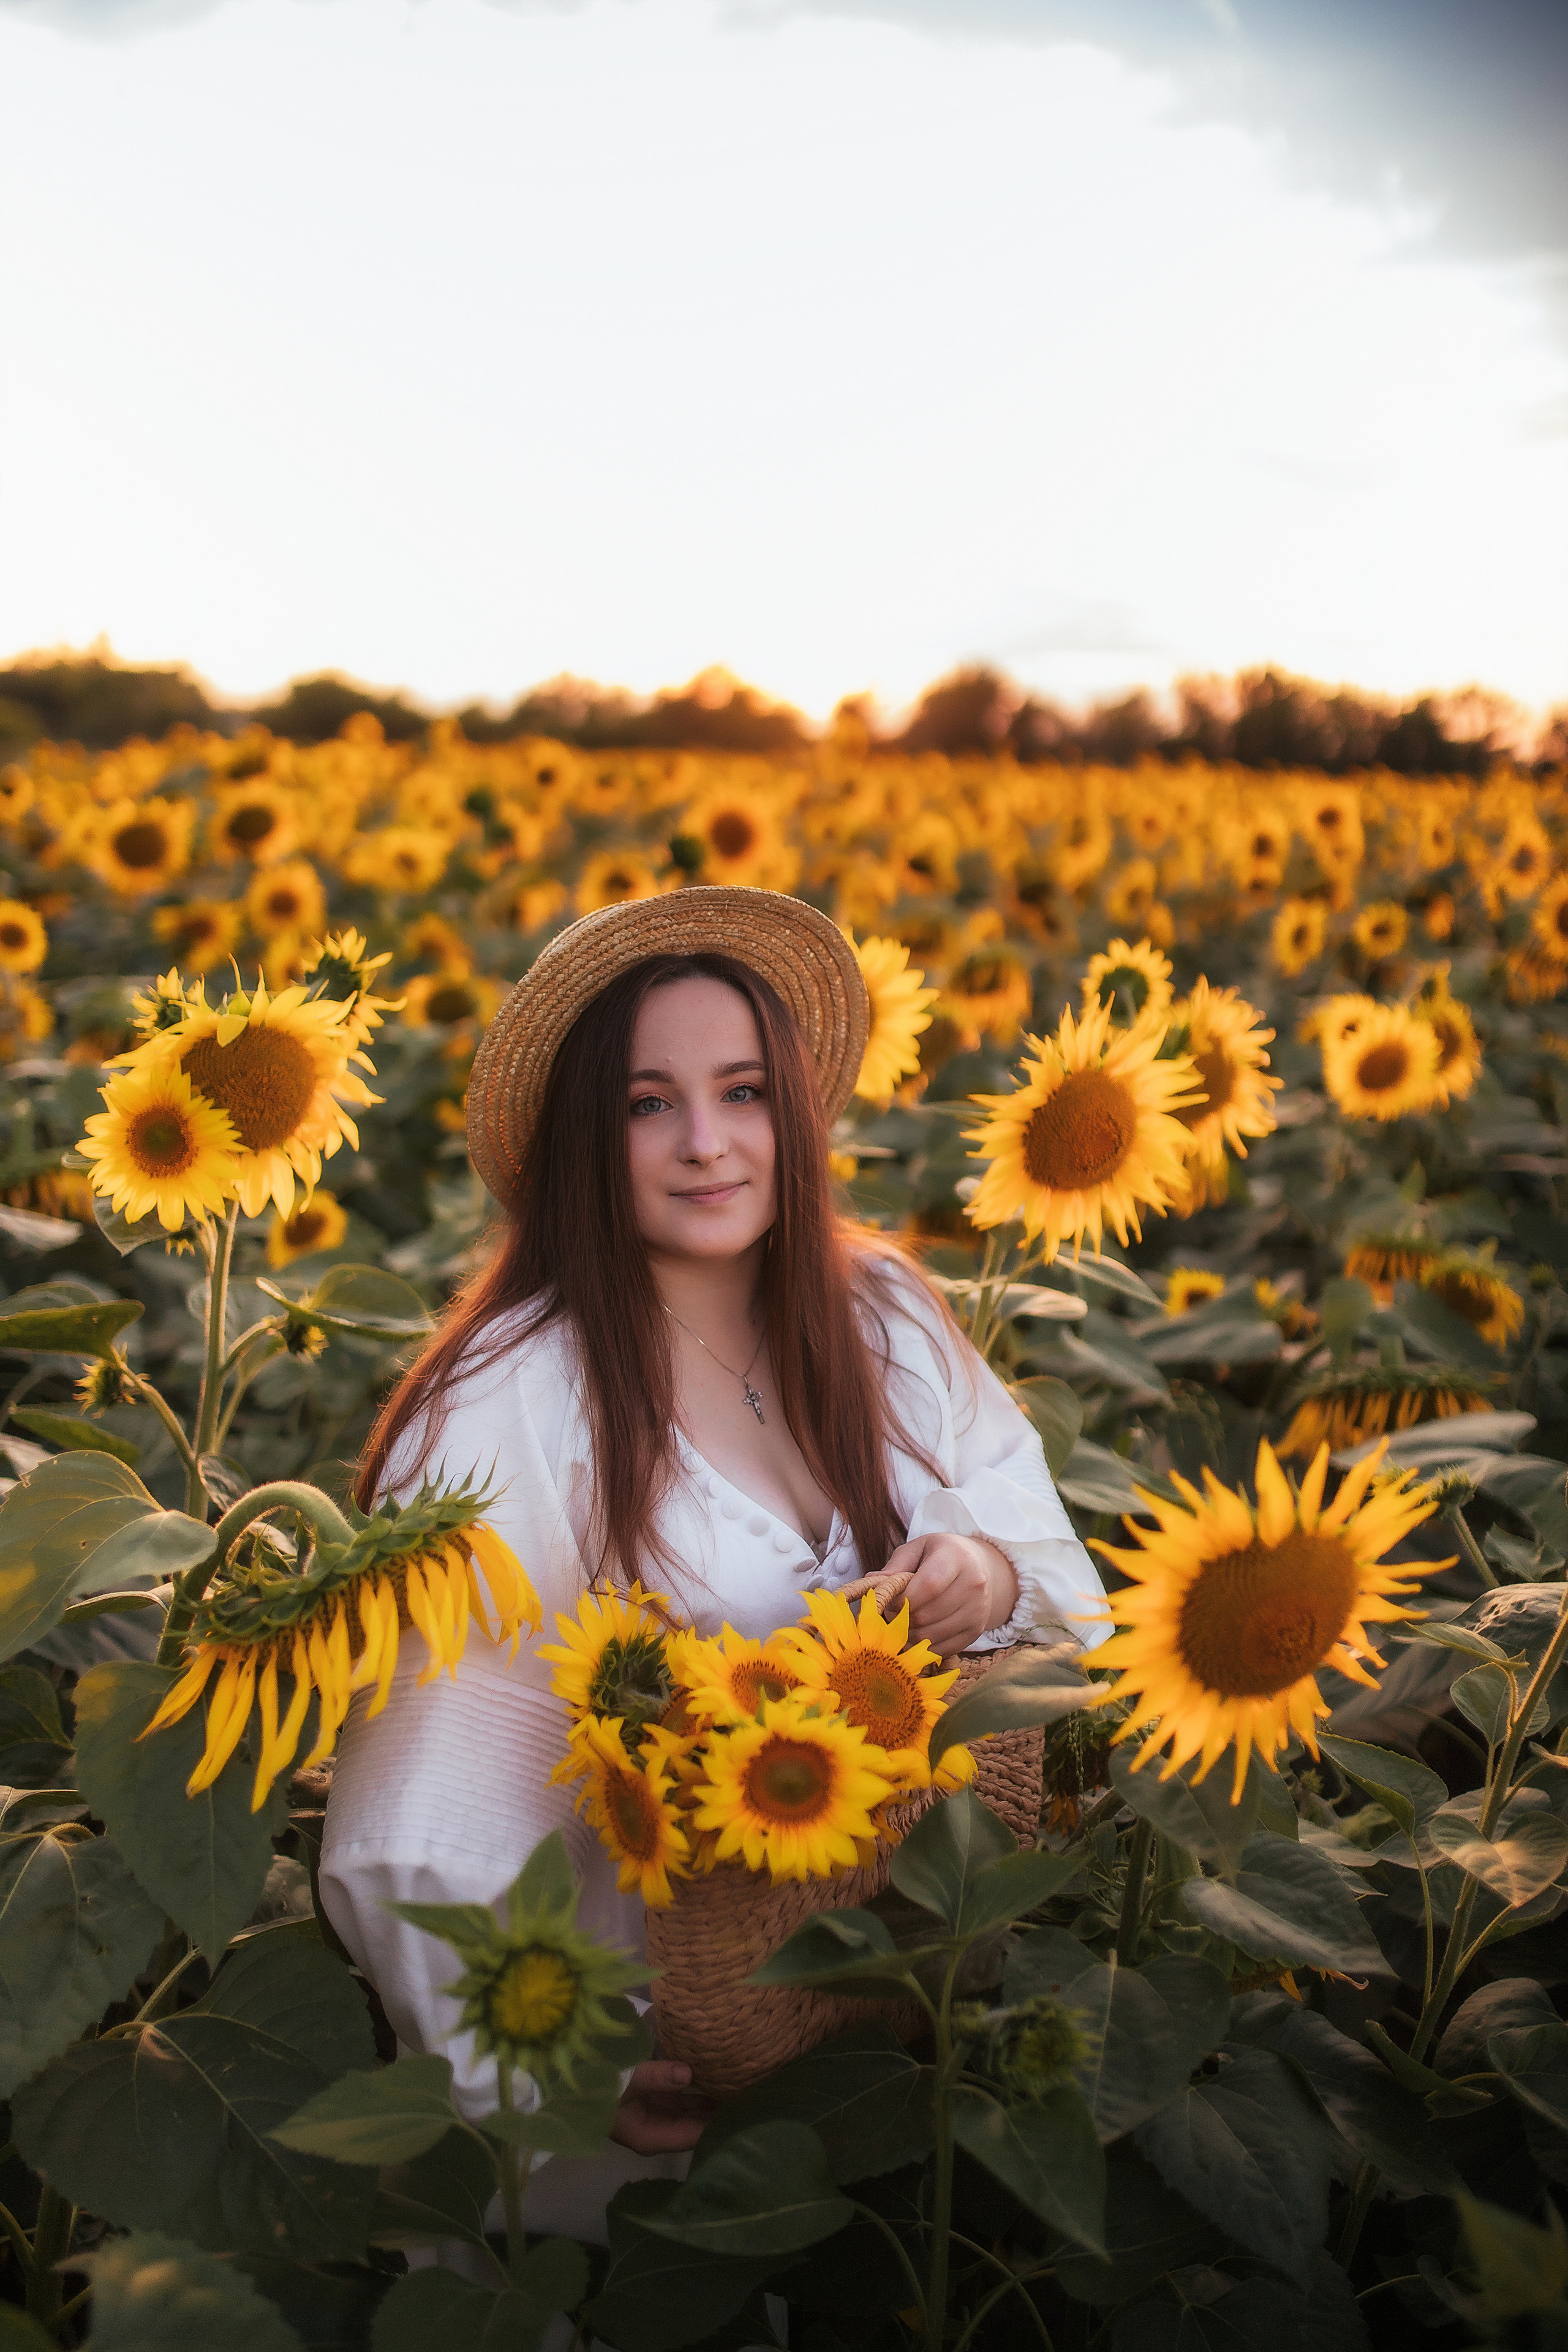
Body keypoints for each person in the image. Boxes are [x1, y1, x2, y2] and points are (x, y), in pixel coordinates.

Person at [318, 884, 1107, 2245]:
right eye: (645, 1104)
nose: (705, 1145)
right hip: (647, 2070)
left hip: (881, 2027)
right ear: (585, 1134)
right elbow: (420, 1800)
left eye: (741, 1092)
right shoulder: (515, 1398)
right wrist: (557, 2063)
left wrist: (978, 1570)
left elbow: (1045, 1555)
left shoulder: (887, 1319)